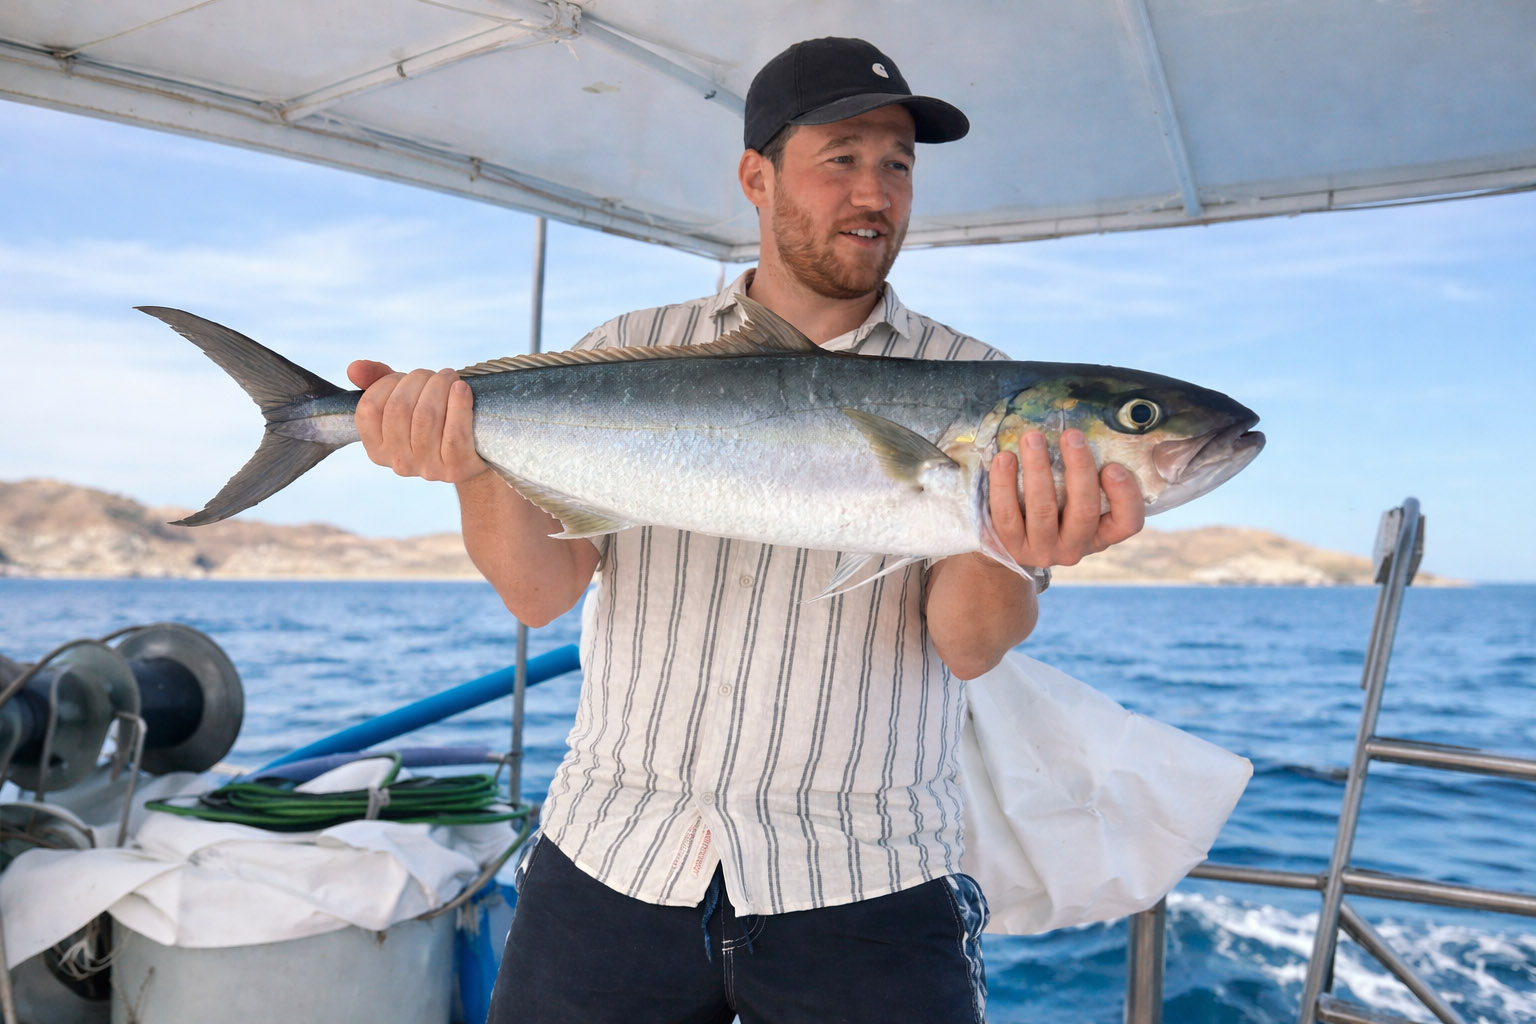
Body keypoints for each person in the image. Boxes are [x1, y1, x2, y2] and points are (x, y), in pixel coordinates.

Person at [348, 36, 1144, 1024]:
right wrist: (470, 465)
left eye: (898, 164)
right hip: (613, 855)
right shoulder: (628, 355)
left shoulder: (973, 381)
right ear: (756, 178)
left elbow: (966, 643)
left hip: (865, 877)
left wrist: (1018, 540)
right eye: (842, 158)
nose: (876, 192)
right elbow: (538, 592)